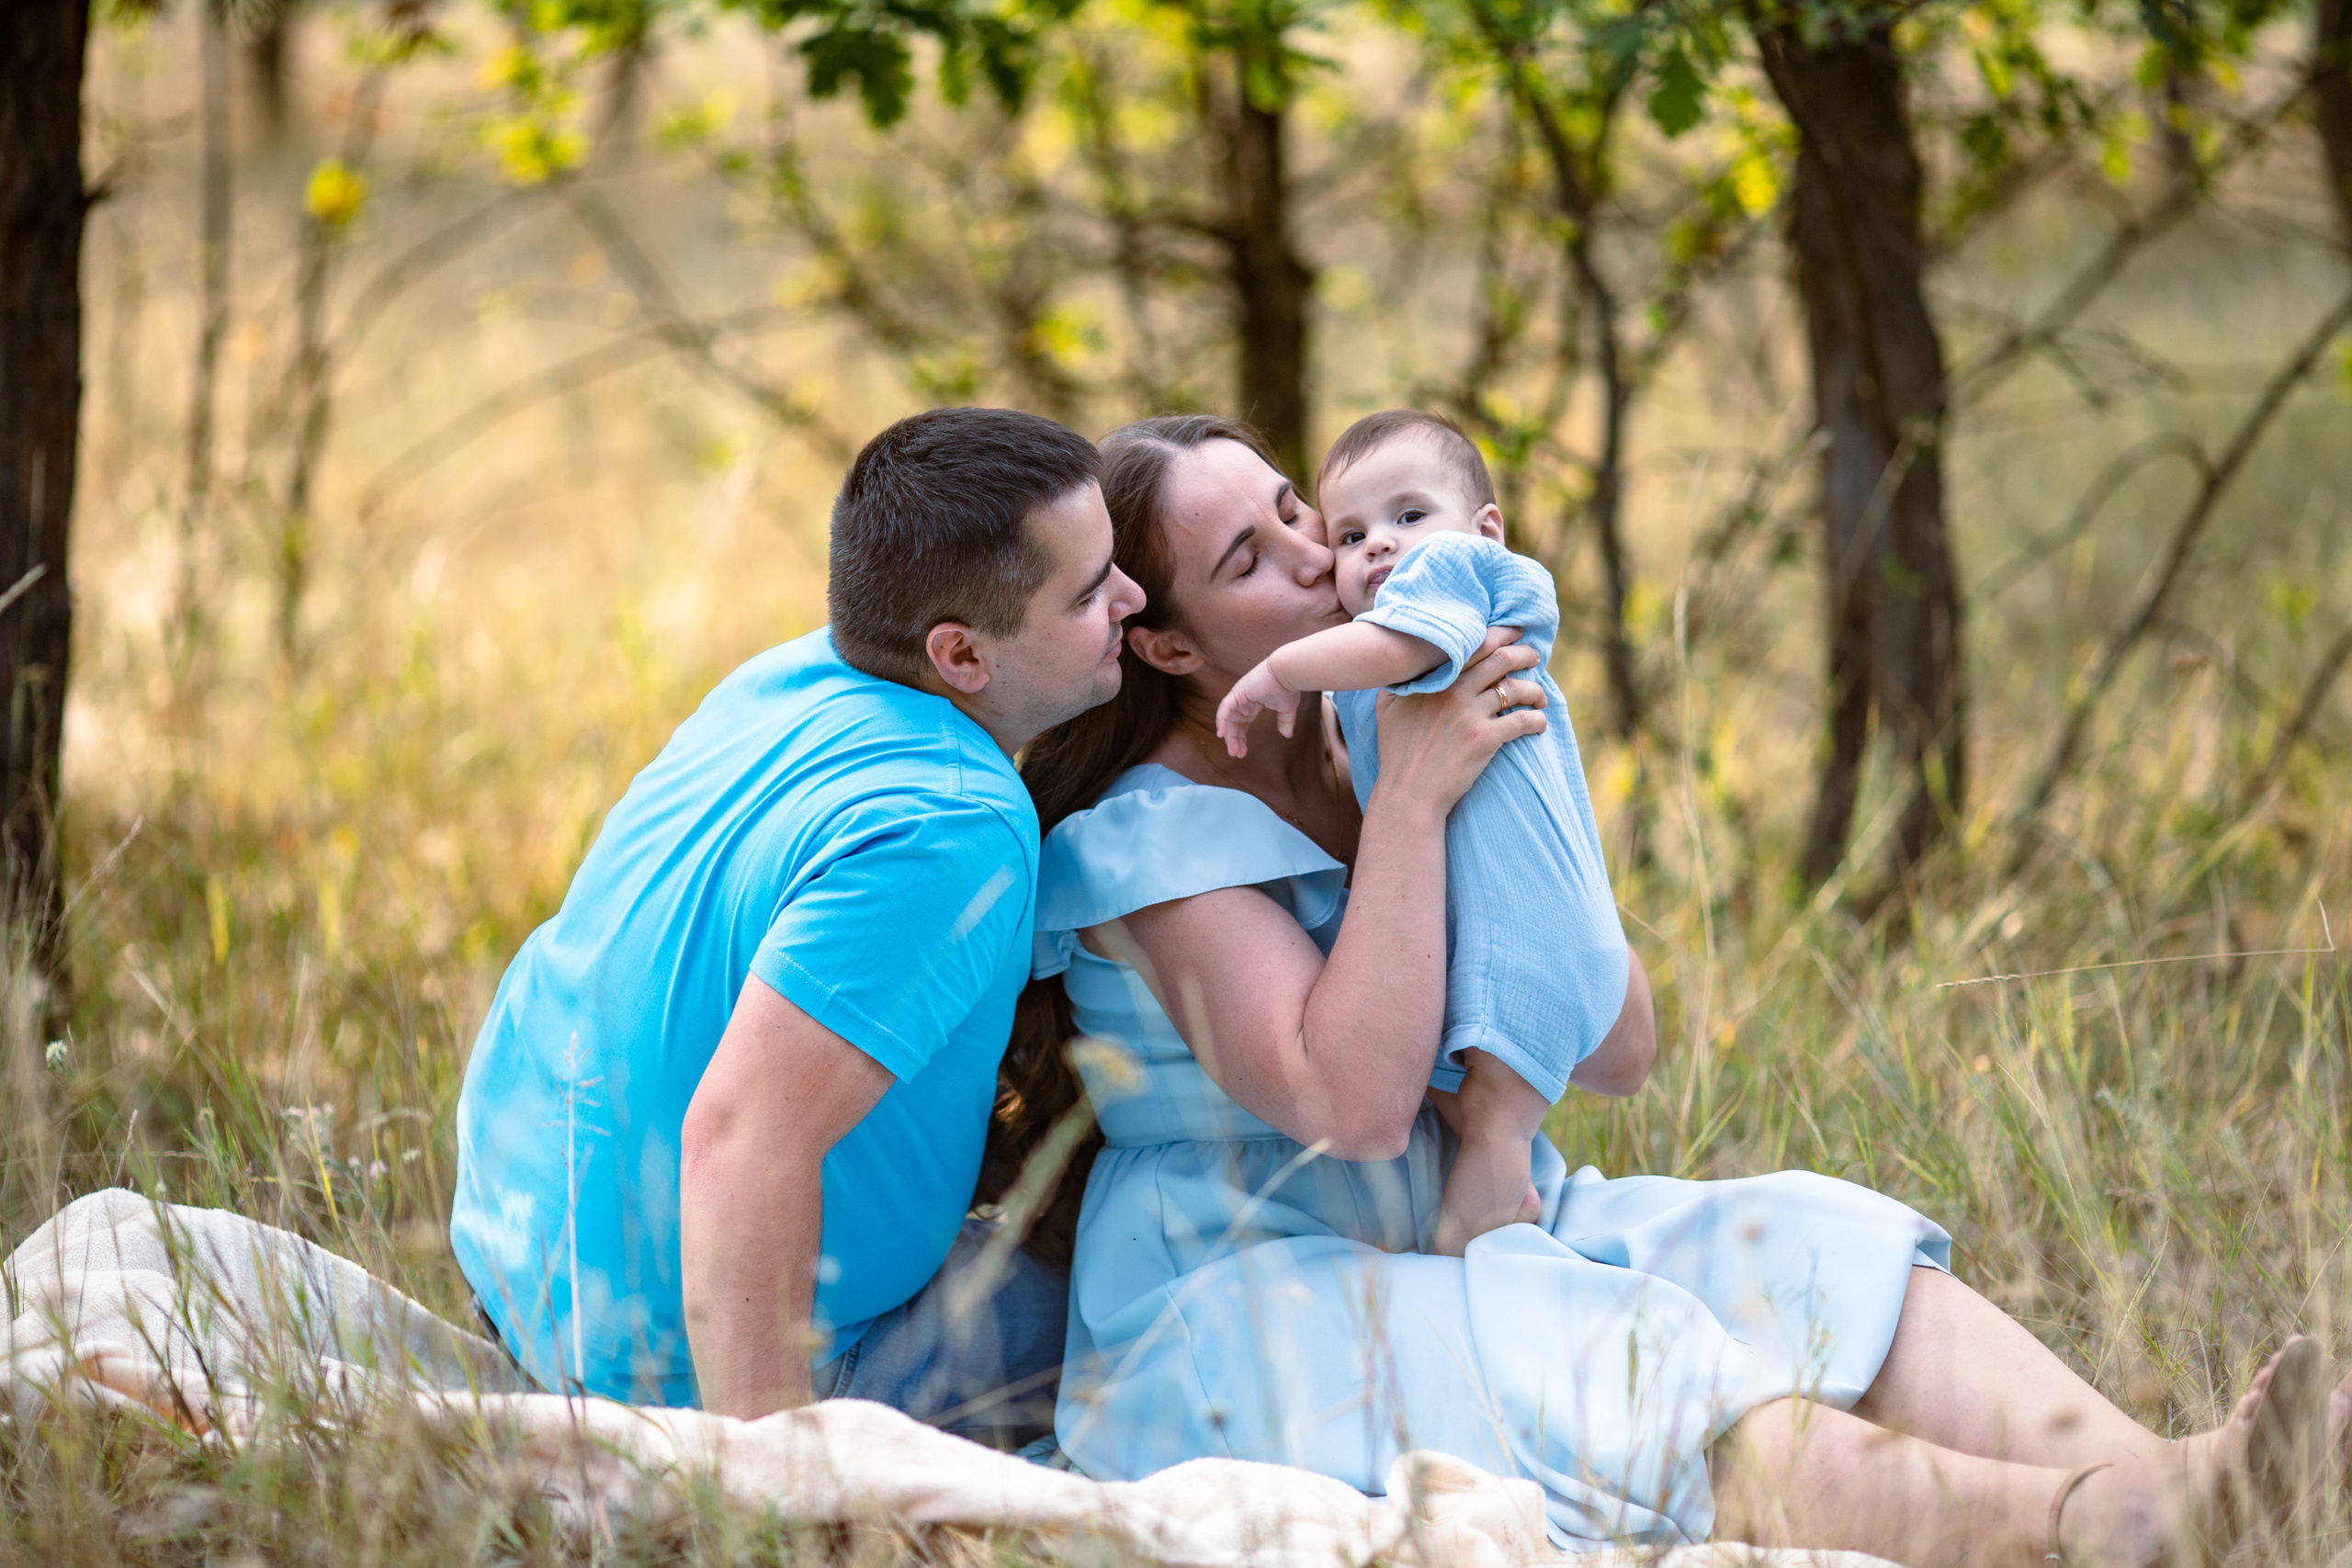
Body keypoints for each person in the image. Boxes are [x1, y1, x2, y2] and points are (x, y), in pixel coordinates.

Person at [1003, 412, 2344, 1565]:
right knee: (1620, 1350)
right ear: (1172, 649)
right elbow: (1350, 1105)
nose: (1321, 554)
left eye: (1298, 509)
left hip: (1458, 1218)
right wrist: (1415, 808)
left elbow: (1622, 1043)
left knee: (1802, 1238)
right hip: (1245, 1297)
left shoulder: (1368, 728)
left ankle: (2190, 1480)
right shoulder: (1151, 842)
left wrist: (1509, 815)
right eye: (1252, 559)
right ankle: (2096, 1525)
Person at [448, 406, 1146, 1440]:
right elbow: (739, 1138)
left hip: (521, 1279)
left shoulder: (785, 680)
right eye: (1089, 593)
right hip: (671, 1375)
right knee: (1149, 1316)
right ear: (959, 655)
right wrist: (761, 1488)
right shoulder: (951, 822)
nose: (1132, 597)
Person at [1214, 408, 1625, 1254]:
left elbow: (1394, 650)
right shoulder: (1393, 646)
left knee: (1494, 1120)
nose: (1378, 547)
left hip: (1537, 935)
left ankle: (1474, 1258)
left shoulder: (1456, 575)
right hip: (1540, 929)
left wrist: (1277, 669)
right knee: (1476, 1105)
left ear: (1486, 526)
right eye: (1353, 531)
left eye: (1409, 515)